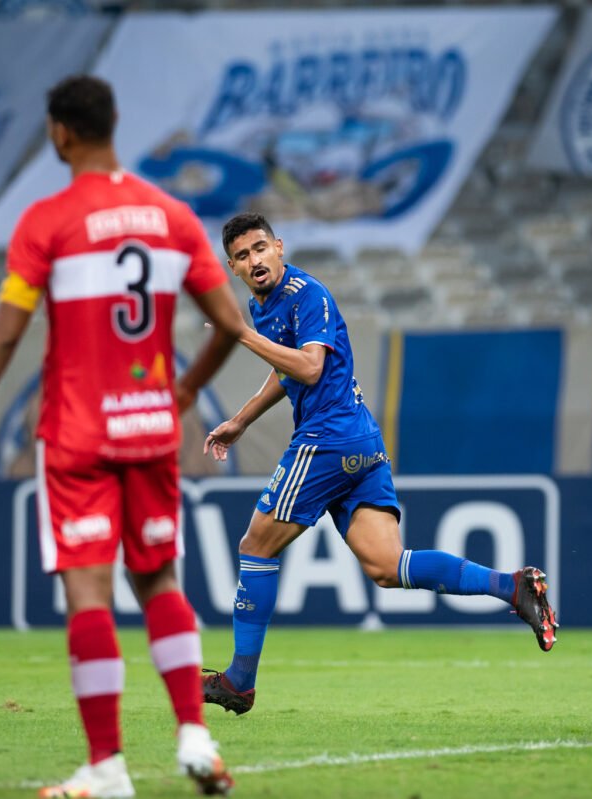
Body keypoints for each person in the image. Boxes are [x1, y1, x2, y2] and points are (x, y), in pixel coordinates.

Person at [0, 75, 247, 797]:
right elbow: (231, 324)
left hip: (78, 433)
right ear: (114, 124)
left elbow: (4, 335)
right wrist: (191, 385)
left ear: (59, 133)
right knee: (160, 578)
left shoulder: (48, 221)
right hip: (151, 427)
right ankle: (194, 736)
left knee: (90, 596)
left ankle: (106, 767)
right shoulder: (171, 216)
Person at [199, 212, 559, 715]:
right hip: (360, 442)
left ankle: (240, 680)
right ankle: (512, 586)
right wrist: (241, 420)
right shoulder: (268, 306)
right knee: (387, 567)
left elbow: (309, 365)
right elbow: (288, 374)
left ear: (279, 247)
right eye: (242, 256)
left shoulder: (307, 294)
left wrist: (236, 332)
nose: (254, 260)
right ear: (232, 267)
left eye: (260, 248)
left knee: (255, 546)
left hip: (328, 438)